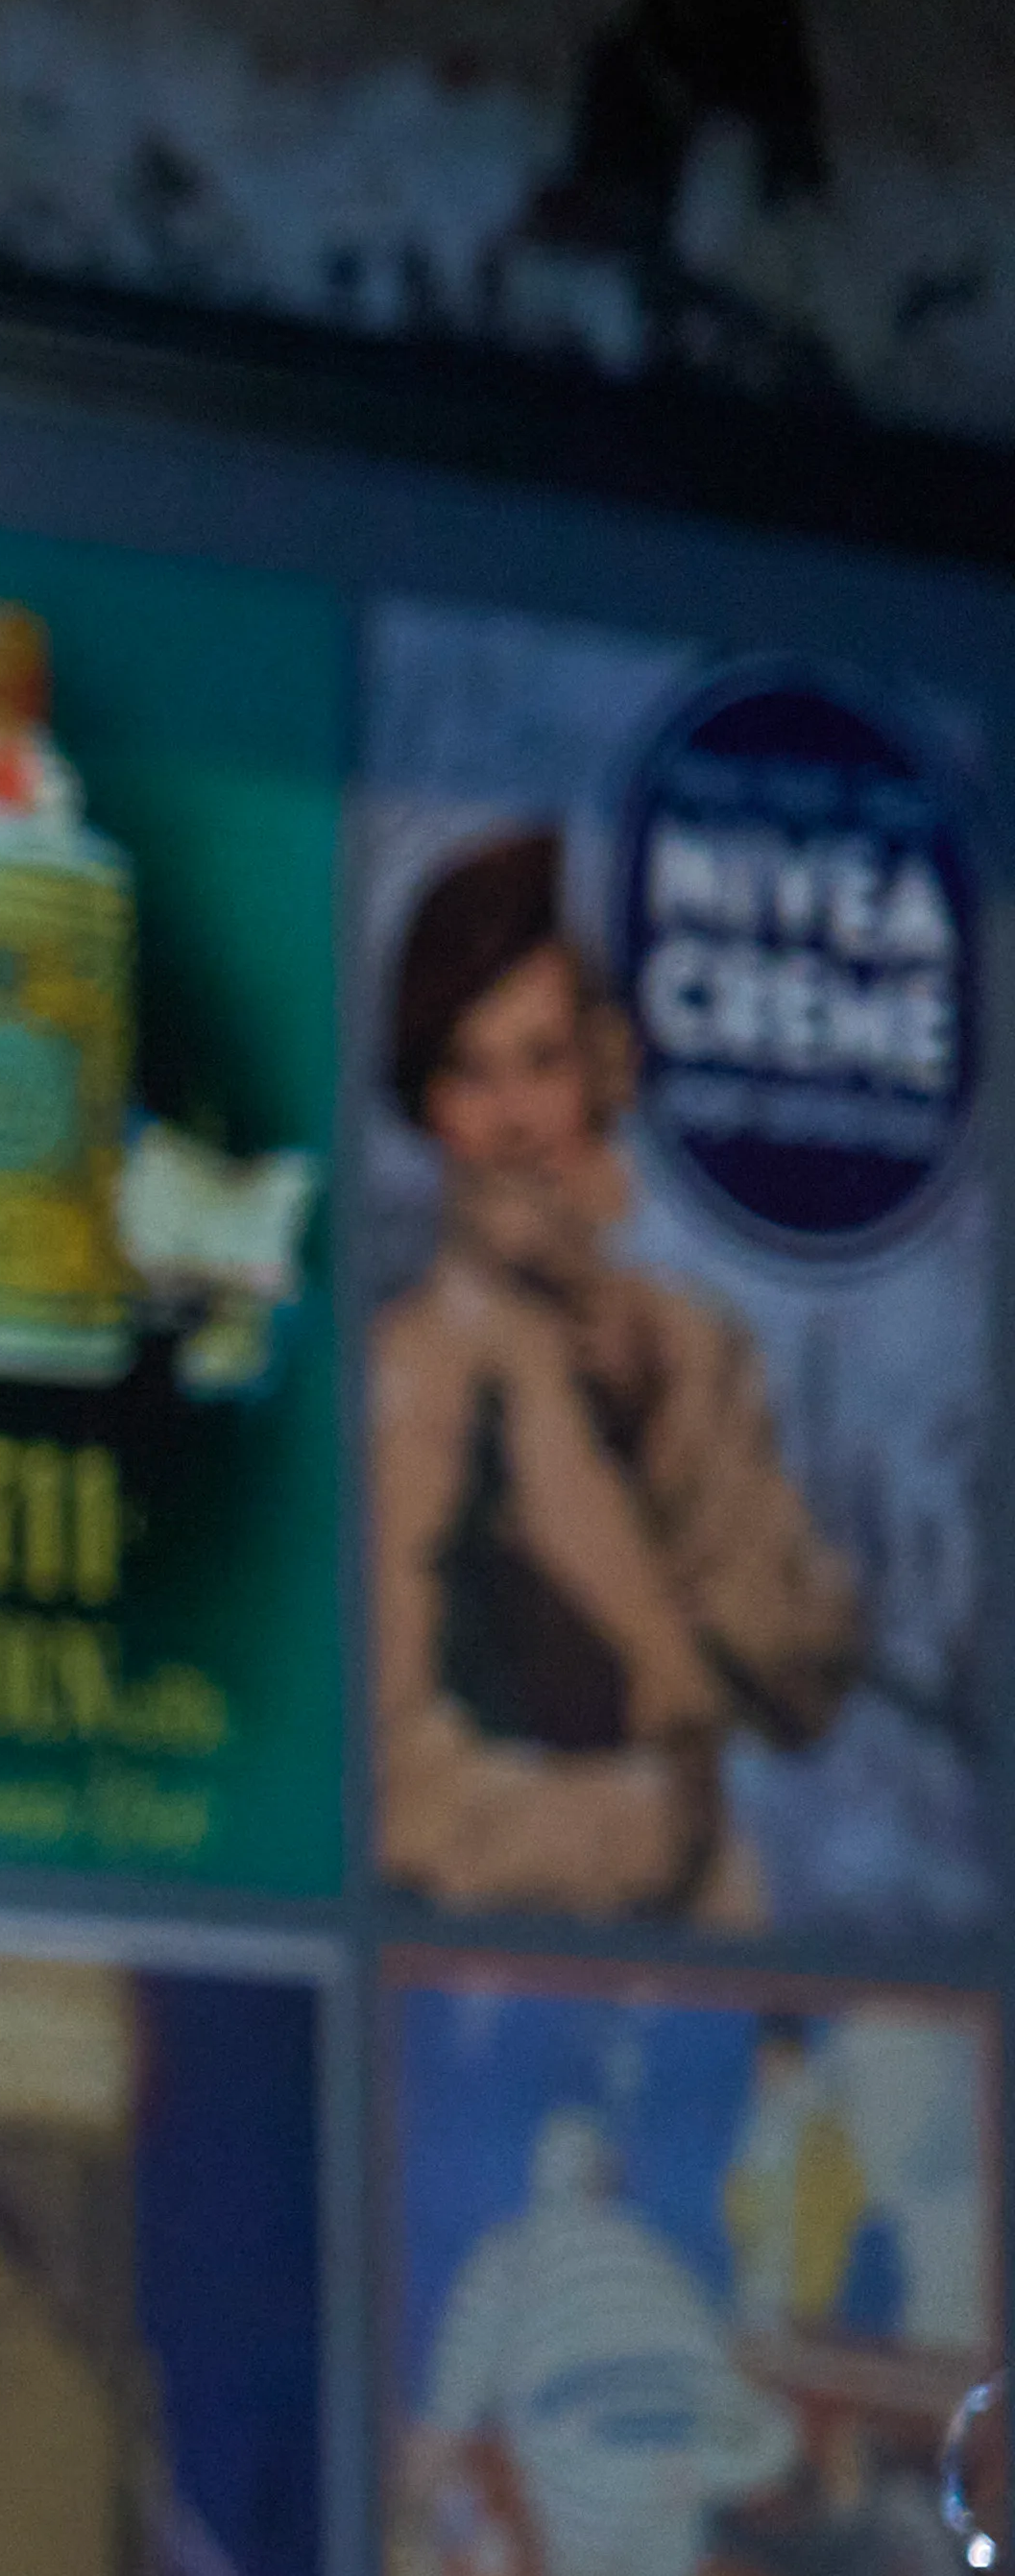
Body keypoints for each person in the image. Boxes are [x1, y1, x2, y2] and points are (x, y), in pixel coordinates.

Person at [367, 819, 861, 1920]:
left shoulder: (685, 1346)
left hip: (721, 1954)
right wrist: (641, 1828)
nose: (514, 1122)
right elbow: (387, 1784)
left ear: (602, 1072)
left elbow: (800, 1675)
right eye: (470, 1074)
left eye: (543, 1062)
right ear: (431, 1107)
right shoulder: (418, 1372)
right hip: (498, 1962)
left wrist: (665, 1422)